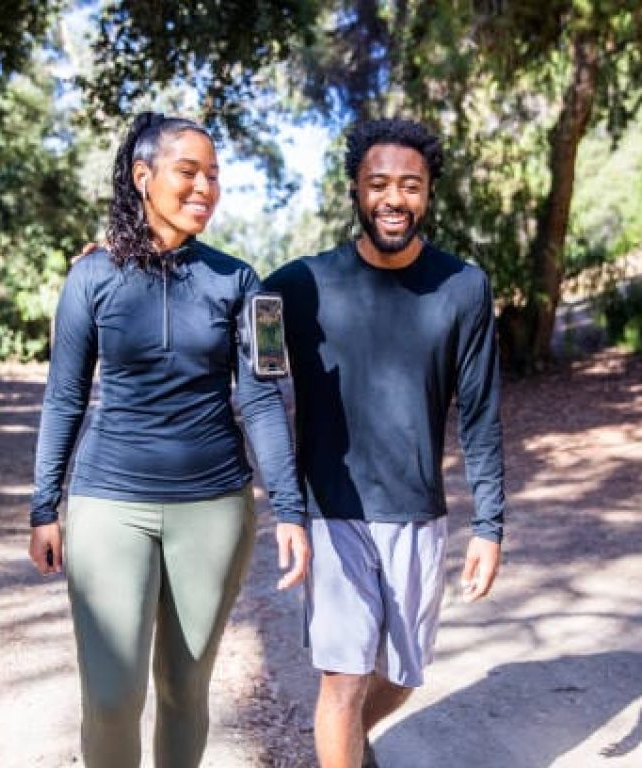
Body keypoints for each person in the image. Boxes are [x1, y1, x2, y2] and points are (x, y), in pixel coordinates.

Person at [28, 112, 309, 768]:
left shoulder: (245, 283)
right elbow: (65, 396)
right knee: (109, 695)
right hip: (108, 505)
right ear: (142, 176)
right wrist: (45, 505)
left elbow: (263, 400)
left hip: (212, 509)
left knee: (185, 689)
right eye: (190, 172)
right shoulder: (89, 279)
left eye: (214, 175)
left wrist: (290, 510)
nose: (205, 187)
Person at [264, 117, 505, 768]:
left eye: (410, 185)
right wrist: (128, 259)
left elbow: (480, 410)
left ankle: (347, 745)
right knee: (340, 681)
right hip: (331, 509)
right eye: (378, 184)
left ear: (428, 194)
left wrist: (490, 523)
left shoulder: (464, 287)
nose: (393, 199)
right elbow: (230, 325)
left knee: (401, 674)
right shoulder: (295, 286)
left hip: (418, 513)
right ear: (354, 191)